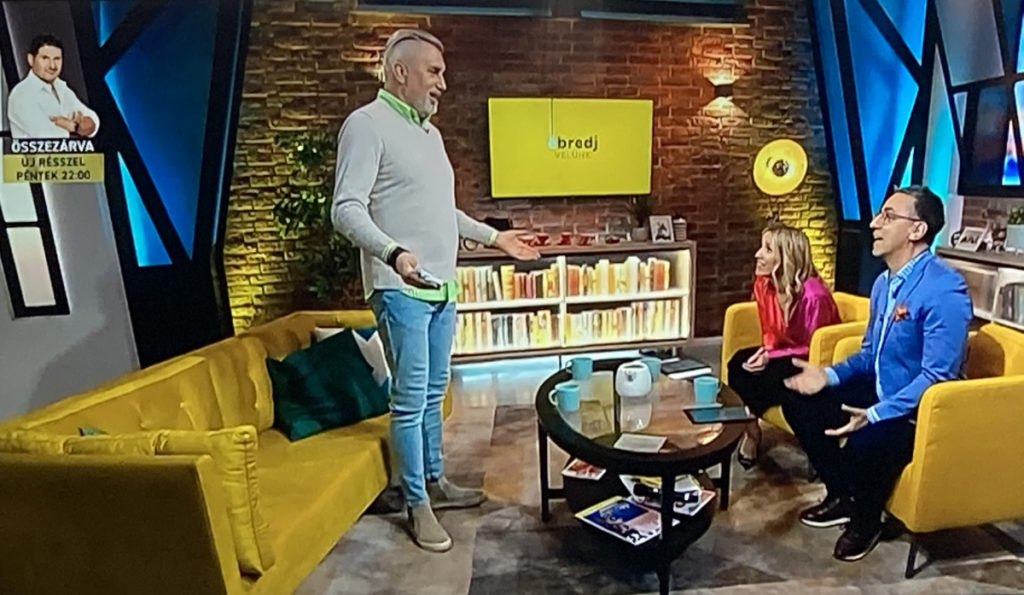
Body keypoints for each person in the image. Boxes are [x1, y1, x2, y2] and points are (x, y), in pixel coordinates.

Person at [331, 29, 539, 553]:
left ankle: (435, 479)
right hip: (399, 289)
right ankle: (416, 502)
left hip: (442, 287)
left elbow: (441, 212)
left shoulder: (429, 135)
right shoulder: (366, 125)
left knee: (432, 393)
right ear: (399, 72)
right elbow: (345, 208)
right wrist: (394, 254)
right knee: (409, 399)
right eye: (434, 72)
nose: (443, 83)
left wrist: (495, 238)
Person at [782, 186, 972, 562]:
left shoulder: (944, 289)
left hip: (919, 410)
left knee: (865, 443)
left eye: (888, 216)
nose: (873, 224)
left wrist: (874, 414)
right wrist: (829, 376)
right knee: (800, 400)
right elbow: (870, 354)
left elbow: (937, 377)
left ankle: (866, 522)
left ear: (917, 229)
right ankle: (843, 495)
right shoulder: (884, 283)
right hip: (882, 387)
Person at [727, 223, 840, 468]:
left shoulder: (814, 295)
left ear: (787, 257)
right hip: (781, 354)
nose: (757, 254)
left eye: (767, 249)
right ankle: (752, 432)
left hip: (811, 360)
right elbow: (769, 330)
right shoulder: (763, 285)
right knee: (738, 364)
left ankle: (817, 445)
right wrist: (765, 353)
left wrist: (772, 356)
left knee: (767, 379)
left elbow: (814, 346)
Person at [7, 34, 99, 139]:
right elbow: (48, 135)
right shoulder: (21, 94)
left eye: (57, 59)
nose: (52, 66)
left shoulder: (62, 88)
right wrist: (76, 127)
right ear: (31, 59)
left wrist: (76, 126)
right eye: (45, 58)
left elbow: (93, 121)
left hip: (76, 150)